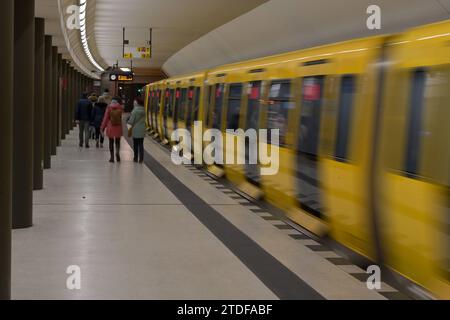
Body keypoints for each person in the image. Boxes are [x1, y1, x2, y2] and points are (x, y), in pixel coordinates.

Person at [101, 97, 124, 163]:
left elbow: (105, 119)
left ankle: (112, 157)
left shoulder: (109, 108)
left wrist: (102, 127)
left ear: (111, 101)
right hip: (118, 127)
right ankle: (117, 152)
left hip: (110, 127)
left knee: (111, 142)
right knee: (117, 141)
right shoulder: (120, 108)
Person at [127, 96, 146, 163]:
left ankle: (135, 158)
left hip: (135, 129)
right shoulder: (144, 110)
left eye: (135, 101)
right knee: (141, 144)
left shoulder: (135, 111)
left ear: (137, 103)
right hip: (142, 129)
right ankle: (141, 159)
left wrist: (128, 123)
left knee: (135, 145)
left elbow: (131, 121)